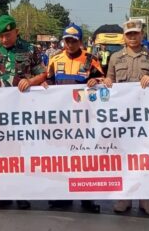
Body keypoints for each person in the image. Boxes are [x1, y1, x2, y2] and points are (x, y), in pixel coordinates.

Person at [0, 14, 47, 210]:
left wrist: (31, 81)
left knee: (21, 151)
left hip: (21, 111)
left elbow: (42, 72)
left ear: (16, 31)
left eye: (8, 35)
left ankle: (21, 193)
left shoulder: (30, 50)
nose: (4, 39)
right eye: (1, 36)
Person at [103, 19, 149, 216]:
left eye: (136, 34)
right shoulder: (115, 58)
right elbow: (109, 79)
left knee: (145, 158)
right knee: (123, 158)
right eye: (129, 34)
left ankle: (145, 199)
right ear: (124, 36)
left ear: (142, 35)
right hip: (122, 117)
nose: (132, 37)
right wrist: (106, 81)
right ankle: (125, 198)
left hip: (146, 117)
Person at [43, 23, 103, 213]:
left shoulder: (91, 60)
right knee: (61, 158)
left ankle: (87, 198)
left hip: (84, 117)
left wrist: (97, 81)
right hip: (61, 119)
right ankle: (62, 196)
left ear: (80, 41)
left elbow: (104, 81)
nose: (70, 44)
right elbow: (48, 80)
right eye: (67, 41)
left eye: (74, 41)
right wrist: (44, 84)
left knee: (85, 158)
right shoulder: (55, 59)